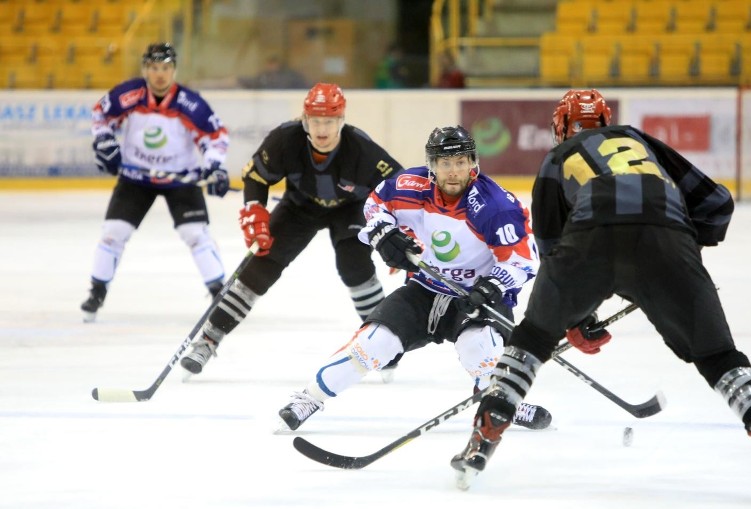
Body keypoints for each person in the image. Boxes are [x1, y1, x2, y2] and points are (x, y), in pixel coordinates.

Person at [450, 89, 751, 499]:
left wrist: (574, 318)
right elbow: (718, 203)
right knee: (719, 356)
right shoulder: (637, 139)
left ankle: (484, 434)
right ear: (607, 120)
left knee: (532, 337)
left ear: (560, 126)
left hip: (589, 238)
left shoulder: (555, 160)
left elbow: (552, 251)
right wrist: (684, 248)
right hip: (666, 241)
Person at [276, 125, 551, 432]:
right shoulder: (411, 185)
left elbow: (523, 259)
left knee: (479, 348)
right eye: (446, 163)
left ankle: (504, 400)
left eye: (461, 162)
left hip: (474, 298)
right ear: (433, 166)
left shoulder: (495, 206)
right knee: (373, 344)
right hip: (424, 289)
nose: (454, 171)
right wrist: (384, 232)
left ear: (473, 163)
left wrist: (491, 287)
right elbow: (375, 204)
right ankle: (308, 398)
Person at [179, 83, 404, 375]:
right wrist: (255, 212)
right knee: (258, 269)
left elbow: (399, 188)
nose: (322, 130)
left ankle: (383, 344)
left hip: (351, 208)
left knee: (354, 266)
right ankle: (208, 341)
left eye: (329, 121)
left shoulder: (361, 148)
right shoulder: (286, 138)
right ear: (305, 120)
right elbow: (256, 177)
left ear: (341, 121)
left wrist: (401, 231)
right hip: (300, 206)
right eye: (315, 121)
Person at [81, 42, 231, 323]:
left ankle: (218, 292)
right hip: (136, 178)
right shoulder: (129, 94)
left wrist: (214, 166)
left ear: (174, 70)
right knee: (113, 232)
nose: (160, 74)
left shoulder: (190, 103)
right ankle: (97, 292)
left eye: (165, 68)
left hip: (181, 179)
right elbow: (101, 114)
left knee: (196, 234)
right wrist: (104, 141)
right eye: (154, 68)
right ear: (145, 69)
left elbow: (216, 137)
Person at [238, 55, 310, 90]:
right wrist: (239, 80)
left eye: (273, 65)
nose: (271, 67)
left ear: (277, 65)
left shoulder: (288, 76)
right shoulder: (264, 76)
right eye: (269, 65)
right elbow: (254, 82)